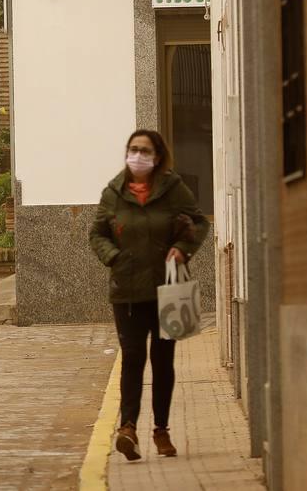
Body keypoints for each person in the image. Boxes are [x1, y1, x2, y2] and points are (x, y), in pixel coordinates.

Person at [88, 129, 210, 462]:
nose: (138, 155)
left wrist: (183, 248)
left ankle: (161, 430)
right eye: (133, 149)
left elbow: (199, 223)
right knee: (132, 360)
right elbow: (97, 232)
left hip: (165, 289)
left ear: (157, 157)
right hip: (126, 291)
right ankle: (127, 428)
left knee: (162, 361)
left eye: (145, 150)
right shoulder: (113, 192)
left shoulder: (173, 189)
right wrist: (113, 257)